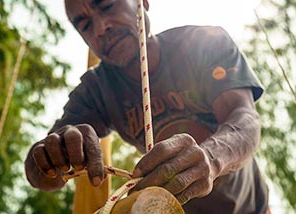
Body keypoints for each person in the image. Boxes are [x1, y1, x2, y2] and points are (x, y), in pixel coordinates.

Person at [25, 0, 269, 213]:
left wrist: (212, 157)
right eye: (85, 25)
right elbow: (39, 171)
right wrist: (48, 159)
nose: (101, 28)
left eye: (108, 6)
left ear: (144, 2)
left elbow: (244, 117)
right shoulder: (96, 90)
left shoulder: (204, 42)